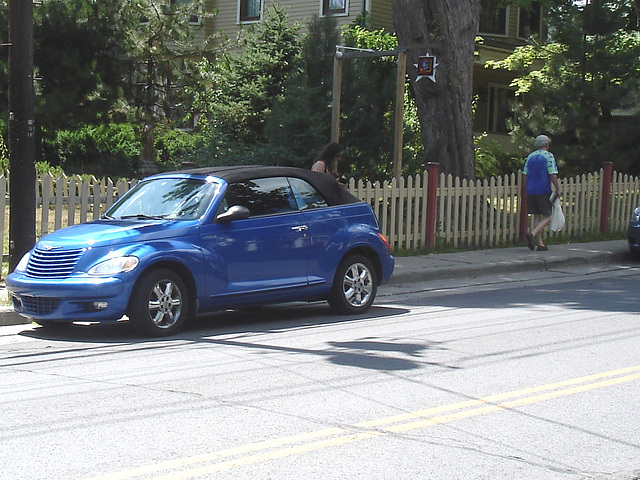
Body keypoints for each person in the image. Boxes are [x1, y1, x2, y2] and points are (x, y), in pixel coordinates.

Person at [522, 134, 561, 251]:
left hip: (531, 190)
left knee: (536, 215)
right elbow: (552, 174)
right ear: (547, 144)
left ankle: (540, 243)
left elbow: (525, 174)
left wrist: (525, 187)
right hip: (543, 189)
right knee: (548, 215)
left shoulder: (530, 157)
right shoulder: (548, 156)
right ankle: (532, 234)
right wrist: (558, 188)